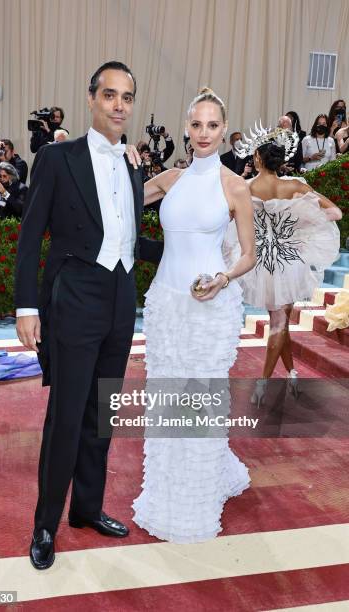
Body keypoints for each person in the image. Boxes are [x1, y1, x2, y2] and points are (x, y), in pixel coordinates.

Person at [15, 61, 159, 570]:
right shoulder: (56, 158)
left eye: (127, 97)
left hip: (120, 302)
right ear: (92, 99)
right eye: (110, 95)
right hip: (74, 300)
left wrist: (180, 252)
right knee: (66, 417)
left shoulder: (133, 163)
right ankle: (45, 524)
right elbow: (31, 236)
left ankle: (88, 509)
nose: (119, 105)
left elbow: (124, 237)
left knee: (101, 413)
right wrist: (27, 305)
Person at [132, 88, 256, 543]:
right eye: (197, 124)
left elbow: (248, 255)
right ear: (186, 127)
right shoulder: (168, 179)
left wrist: (223, 279)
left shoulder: (234, 186)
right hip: (166, 304)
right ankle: (165, 494)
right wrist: (120, 162)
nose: (204, 133)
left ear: (223, 130)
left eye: (212, 125)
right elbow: (115, 204)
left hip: (208, 310)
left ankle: (196, 499)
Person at [232, 126, 341, 406]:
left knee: (278, 323)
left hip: (262, 262)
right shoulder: (294, 186)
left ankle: (279, 377)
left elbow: (229, 220)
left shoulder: (245, 188)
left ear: (257, 158)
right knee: (281, 323)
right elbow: (334, 212)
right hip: (291, 262)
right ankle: (273, 380)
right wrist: (299, 218)